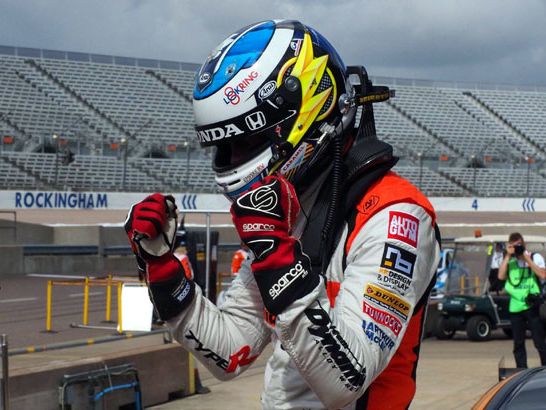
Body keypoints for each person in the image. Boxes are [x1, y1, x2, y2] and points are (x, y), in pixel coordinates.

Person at [125, 20, 440, 409]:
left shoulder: (397, 217)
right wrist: (164, 272)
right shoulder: (289, 208)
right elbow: (232, 349)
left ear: (308, 111)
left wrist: (278, 257)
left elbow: (348, 380)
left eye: (247, 140)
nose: (234, 158)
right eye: (226, 146)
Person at [498, 232, 546, 368]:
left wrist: (526, 259)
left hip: (532, 305)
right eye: (513, 246)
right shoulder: (510, 261)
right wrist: (508, 255)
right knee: (518, 343)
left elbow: (542, 275)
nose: (516, 249)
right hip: (516, 307)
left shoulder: (535, 257)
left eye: (518, 246)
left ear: (524, 245)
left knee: (539, 341)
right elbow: (500, 276)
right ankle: (521, 370)